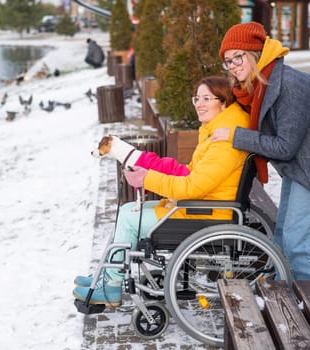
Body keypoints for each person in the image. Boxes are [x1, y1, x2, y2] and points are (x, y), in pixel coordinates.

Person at [73, 75, 250, 306]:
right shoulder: (217, 133)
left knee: (128, 219)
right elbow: (192, 175)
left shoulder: (224, 144)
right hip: (200, 207)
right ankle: (107, 275)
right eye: (197, 98)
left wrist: (148, 178)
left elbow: (192, 187)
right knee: (127, 210)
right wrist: (152, 169)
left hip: (205, 214)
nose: (199, 103)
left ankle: (112, 286)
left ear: (224, 102)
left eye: (207, 98)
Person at [213, 22, 310, 284]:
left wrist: (236, 137)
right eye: (227, 61)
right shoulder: (258, 86)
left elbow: (284, 146)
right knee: (282, 237)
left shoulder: (292, 85)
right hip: (301, 167)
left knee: (299, 244)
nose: (232, 66)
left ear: (255, 53)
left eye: (237, 57)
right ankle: (287, 296)